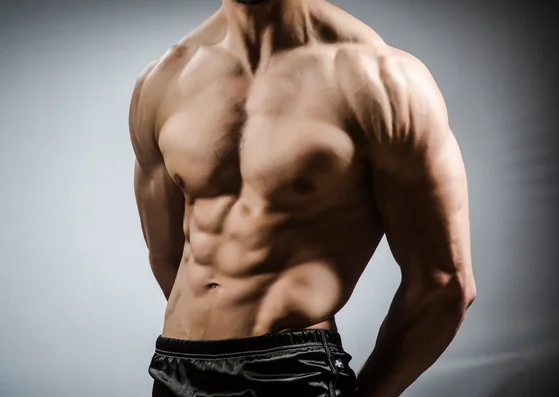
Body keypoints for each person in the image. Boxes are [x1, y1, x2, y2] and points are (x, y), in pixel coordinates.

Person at [129, 0, 476, 396]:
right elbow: (167, 257)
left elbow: (445, 283)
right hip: (175, 368)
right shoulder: (163, 79)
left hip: (291, 373)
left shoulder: (382, 81)